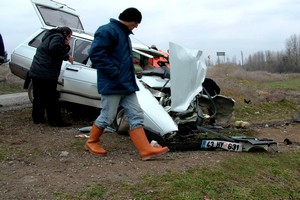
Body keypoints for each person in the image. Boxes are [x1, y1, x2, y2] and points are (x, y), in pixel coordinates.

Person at [86, 7, 169, 160]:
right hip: (113, 83)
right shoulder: (107, 30)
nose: (137, 26)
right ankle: (92, 141)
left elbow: (119, 58)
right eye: (136, 23)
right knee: (108, 116)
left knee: (136, 114)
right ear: (129, 19)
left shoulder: (124, 34)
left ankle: (145, 150)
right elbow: (96, 54)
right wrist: (114, 72)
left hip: (127, 84)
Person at [28, 27, 74, 127]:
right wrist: (67, 56)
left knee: (39, 97)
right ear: (65, 33)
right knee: (52, 98)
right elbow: (54, 49)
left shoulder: (49, 36)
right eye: (69, 36)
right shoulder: (58, 36)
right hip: (46, 73)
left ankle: (38, 118)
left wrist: (66, 46)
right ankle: (55, 121)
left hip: (37, 71)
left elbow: (54, 49)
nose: (69, 39)